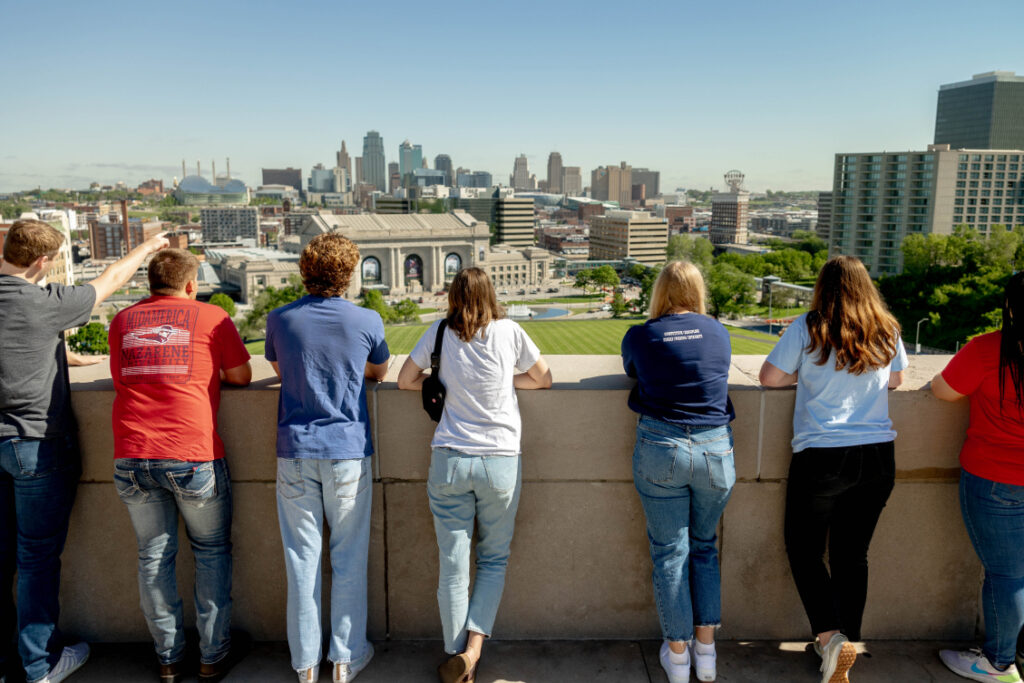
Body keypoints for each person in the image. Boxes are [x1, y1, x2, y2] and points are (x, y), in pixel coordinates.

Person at [0, 219, 168, 683]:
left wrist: (58, 352)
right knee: (35, 559)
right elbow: (108, 282)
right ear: (43, 261)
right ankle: (39, 666)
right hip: (34, 444)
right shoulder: (44, 303)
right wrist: (149, 246)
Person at [397, 267, 551, 683]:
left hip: (449, 458)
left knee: (452, 564)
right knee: (493, 558)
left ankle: (453, 654)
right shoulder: (510, 331)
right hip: (500, 458)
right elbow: (544, 378)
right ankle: (473, 652)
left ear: (452, 296)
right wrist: (504, 382)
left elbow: (404, 381)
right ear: (491, 293)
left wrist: (443, 379)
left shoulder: (440, 332)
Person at [759, 254, 907, 683]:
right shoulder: (887, 327)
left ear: (823, 287)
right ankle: (849, 643)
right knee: (851, 556)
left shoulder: (809, 327)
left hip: (824, 455)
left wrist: (807, 376)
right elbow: (896, 380)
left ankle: (829, 639)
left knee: (804, 550)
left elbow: (770, 378)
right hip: (878, 455)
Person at [107, 249, 252, 683]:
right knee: (210, 553)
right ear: (191, 285)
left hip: (131, 452)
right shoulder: (210, 318)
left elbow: (121, 377)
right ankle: (213, 656)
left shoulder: (121, 321)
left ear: (150, 283)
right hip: (191, 452)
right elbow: (242, 375)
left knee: (153, 558)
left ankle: (168, 659)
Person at [265, 234, 389, 683]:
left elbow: (283, 370)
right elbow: (378, 371)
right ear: (350, 273)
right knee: (349, 558)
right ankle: (345, 658)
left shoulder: (279, 320)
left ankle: (304, 664)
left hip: (295, 452)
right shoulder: (367, 319)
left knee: (302, 561)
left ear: (304, 270)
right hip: (348, 452)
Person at [620, 261, 735, 683]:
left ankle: (678, 659)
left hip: (661, 447)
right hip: (714, 450)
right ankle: (706, 656)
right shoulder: (719, 331)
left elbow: (633, 370)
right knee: (704, 546)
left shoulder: (642, 335)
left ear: (660, 293)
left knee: (670, 555)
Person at [930, 271, 1024, 683]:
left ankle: (999, 663)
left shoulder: (989, 349)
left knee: (1007, 575)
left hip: (996, 478)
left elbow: (943, 391)